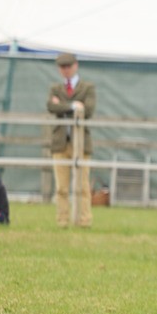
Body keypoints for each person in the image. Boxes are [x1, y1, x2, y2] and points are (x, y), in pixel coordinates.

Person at [47, 52, 97, 228]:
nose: (66, 70)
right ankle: (62, 221)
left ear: (76, 66)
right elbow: (51, 106)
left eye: (68, 66)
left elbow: (88, 110)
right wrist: (73, 106)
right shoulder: (55, 88)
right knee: (61, 187)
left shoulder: (88, 87)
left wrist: (62, 106)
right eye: (62, 67)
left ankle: (84, 221)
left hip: (81, 143)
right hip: (60, 142)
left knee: (82, 186)